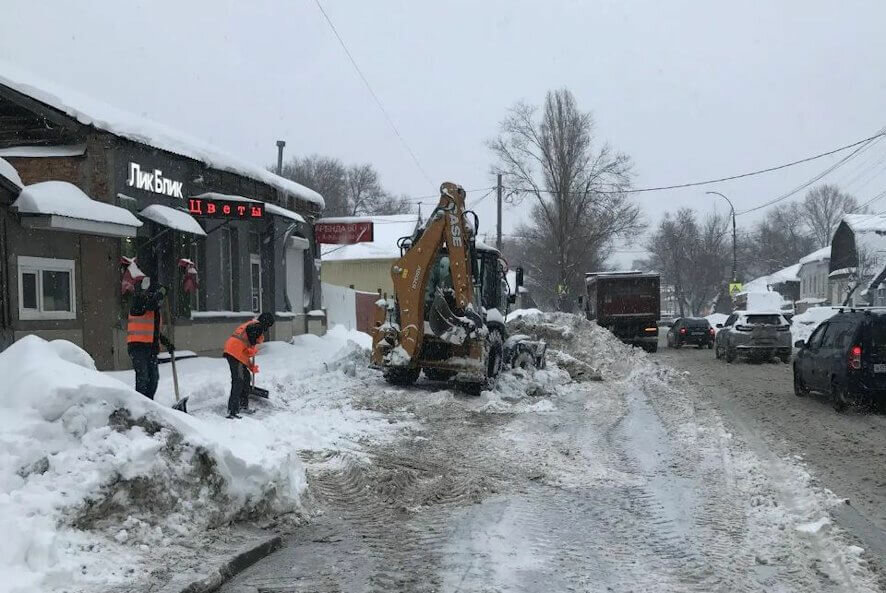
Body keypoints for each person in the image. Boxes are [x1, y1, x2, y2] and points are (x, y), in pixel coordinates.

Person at [127, 278, 174, 399]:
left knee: (153, 379)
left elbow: (155, 332)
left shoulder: (155, 313)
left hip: (151, 348)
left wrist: (166, 343)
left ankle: (149, 404)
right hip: (137, 347)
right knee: (143, 378)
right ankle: (139, 406)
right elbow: (151, 304)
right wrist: (161, 293)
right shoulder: (138, 301)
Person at [223, 312, 275, 419]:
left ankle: (243, 405)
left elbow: (244, 353)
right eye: (269, 326)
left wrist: (251, 366)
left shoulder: (254, 326)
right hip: (234, 352)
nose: (268, 328)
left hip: (235, 352)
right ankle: (232, 410)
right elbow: (250, 335)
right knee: (238, 380)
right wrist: (252, 346)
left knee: (246, 377)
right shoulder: (256, 326)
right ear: (266, 323)